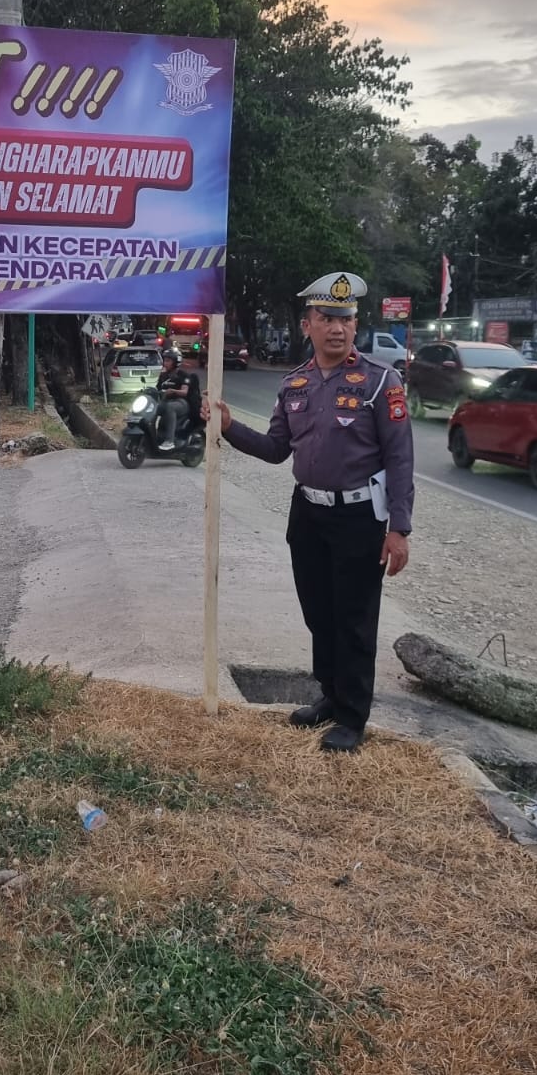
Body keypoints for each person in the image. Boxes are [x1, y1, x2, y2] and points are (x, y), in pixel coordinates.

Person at [203, 272, 414, 753]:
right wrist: (230, 426)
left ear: (355, 324)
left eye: (346, 319)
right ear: (308, 325)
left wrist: (399, 528)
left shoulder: (381, 382)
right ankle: (331, 695)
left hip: (359, 518)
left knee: (354, 619)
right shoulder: (294, 383)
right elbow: (277, 448)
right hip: (308, 516)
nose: (337, 328)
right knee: (319, 613)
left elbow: (400, 458)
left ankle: (352, 717)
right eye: (326, 318)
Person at [154, 347, 199, 450]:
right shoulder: (163, 376)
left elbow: (184, 392)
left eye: (168, 361)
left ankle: (169, 441)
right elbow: (157, 389)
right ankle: (151, 436)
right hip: (166, 401)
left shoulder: (183, 375)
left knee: (170, 407)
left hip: (182, 403)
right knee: (152, 408)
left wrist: (173, 391)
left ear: (175, 362)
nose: (165, 363)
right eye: (165, 360)